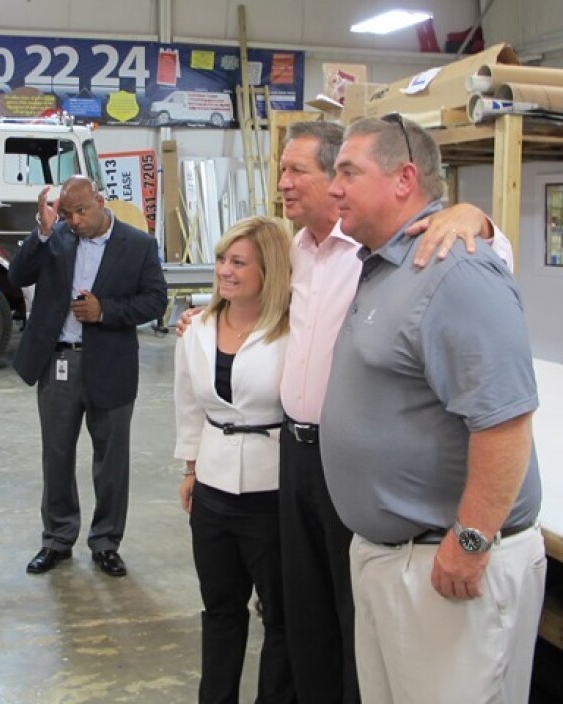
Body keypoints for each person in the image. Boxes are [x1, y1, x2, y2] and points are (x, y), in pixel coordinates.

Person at [178, 120, 515, 704]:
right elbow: (248, 291)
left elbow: (486, 252)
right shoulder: (295, 251)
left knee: (354, 612)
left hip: (347, 463)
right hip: (295, 454)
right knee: (304, 611)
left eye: (298, 171)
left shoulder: (384, 246)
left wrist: (473, 215)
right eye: (282, 169)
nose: (284, 182)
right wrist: (206, 323)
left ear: (337, 177)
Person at [321, 115, 545, 703]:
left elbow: (504, 419)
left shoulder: (457, 269)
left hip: (443, 569)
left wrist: (470, 541)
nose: (333, 186)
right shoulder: (386, 266)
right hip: (392, 561)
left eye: (349, 171)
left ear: (404, 180)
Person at [9, 176, 167, 577]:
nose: (75, 221)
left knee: (111, 460)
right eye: (67, 214)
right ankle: (57, 539)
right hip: (59, 363)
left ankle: (106, 541)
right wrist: (43, 231)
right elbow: (17, 275)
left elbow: (155, 300)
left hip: (111, 364)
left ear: (100, 200)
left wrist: (105, 312)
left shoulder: (139, 245)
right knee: (57, 455)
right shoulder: (56, 238)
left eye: (82, 211)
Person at [174, 217, 295, 703]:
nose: (224, 270)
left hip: (274, 489)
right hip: (214, 487)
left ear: (270, 270)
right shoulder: (197, 328)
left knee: (280, 613)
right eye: (222, 259)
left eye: (238, 262)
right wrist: (189, 468)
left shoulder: (292, 330)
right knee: (220, 609)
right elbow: (187, 402)